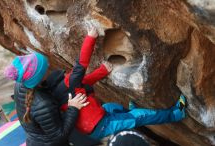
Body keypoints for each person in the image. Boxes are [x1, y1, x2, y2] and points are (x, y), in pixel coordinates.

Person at [44, 26, 187, 140]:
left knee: (113, 107)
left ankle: (130, 112)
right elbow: (81, 64)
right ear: (64, 81)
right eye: (65, 75)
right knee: (141, 116)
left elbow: (86, 81)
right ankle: (176, 114)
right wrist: (90, 38)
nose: (67, 74)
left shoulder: (63, 92)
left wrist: (103, 70)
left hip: (98, 118)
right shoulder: (70, 83)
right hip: (101, 125)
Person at [4, 52, 90, 146]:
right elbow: (60, 136)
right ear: (39, 77)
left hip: (35, 139)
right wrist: (73, 108)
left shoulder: (20, 83)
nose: (48, 65)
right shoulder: (43, 105)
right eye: (45, 67)